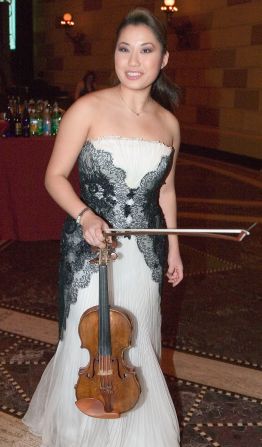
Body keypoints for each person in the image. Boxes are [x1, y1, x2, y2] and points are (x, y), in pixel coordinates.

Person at [23, 8, 183, 447]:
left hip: (145, 255)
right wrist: (85, 215)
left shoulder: (169, 124)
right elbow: (53, 177)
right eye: (124, 49)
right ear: (114, 55)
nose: (134, 60)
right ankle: (81, 432)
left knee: (137, 343)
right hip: (91, 250)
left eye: (146, 50)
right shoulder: (87, 109)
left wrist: (173, 250)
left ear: (163, 59)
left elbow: (165, 192)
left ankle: (136, 433)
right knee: (90, 343)